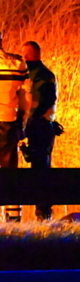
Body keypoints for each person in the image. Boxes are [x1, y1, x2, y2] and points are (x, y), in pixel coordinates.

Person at [20, 41, 59, 221]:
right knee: (41, 166)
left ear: (28, 55)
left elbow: (42, 102)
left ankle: (42, 213)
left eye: (24, 55)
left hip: (40, 126)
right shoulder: (43, 74)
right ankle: (42, 212)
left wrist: (28, 123)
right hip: (41, 125)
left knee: (40, 168)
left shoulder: (38, 75)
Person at [0, 32, 30, 223]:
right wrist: (22, 120)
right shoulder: (17, 64)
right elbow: (25, 96)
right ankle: (13, 217)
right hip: (7, 121)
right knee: (10, 170)